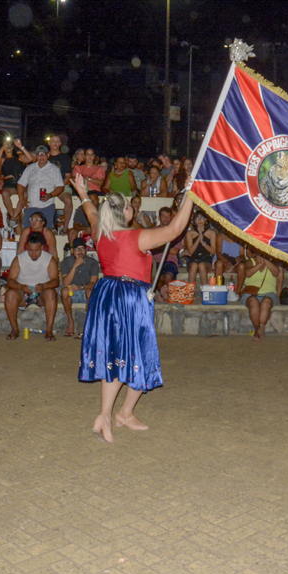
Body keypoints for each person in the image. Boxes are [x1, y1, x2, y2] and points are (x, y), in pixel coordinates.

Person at [69, 171, 194, 443]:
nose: (132, 208)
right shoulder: (136, 237)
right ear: (123, 213)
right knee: (135, 352)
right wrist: (192, 198)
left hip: (107, 293)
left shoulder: (99, 230)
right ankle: (107, 415)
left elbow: (91, 210)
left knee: (122, 353)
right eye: (129, 205)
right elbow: (174, 230)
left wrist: (82, 193)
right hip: (129, 297)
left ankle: (122, 413)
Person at [4, 232, 59, 340]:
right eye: (30, 250)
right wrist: (20, 287)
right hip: (23, 292)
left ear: (42, 247)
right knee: (10, 294)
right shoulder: (19, 259)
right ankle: (14, 329)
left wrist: (44, 286)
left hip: (42, 292)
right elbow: (10, 281)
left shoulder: (49, 259)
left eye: (37, 250)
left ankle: (49, 330)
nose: (33, 254)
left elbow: (56, 281)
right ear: (27, 247)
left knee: (51, 294)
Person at [17, 144, 64, 229]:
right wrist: (21, 199)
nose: (41, 157)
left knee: (46, 232)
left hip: (47, 206)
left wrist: (50, 195)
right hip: (30, 206)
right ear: (36, 156)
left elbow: (60, 186)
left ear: (48, 155)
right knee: (28, 231)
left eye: (44, 154)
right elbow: (20, 184)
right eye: (39, 154)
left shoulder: (54, 169)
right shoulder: (30, 168)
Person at [60, 242, 101, 338]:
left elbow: (93, 283)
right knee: (64, 291)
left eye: (82, 249)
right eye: (77, 249)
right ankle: (70, 322)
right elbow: (65, 283)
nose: (80, 252)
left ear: (86, 251)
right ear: (72, 251)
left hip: (85, 290)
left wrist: (81, 287)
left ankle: (86, 326)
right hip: (72, 291)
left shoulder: (93, 262)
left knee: (91, 292)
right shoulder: (66, 262)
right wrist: (75, 266)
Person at [240, 253, 283, 342]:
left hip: (269, 294)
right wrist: (260, 264)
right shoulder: (250, 261)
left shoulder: (273, 263)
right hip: (250, 293)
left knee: (266, 301)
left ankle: (261, 327)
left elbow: (276, 272)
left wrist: (266, 261)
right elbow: (247, 273)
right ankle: (258, 329)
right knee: (253, 301)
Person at [184, 211, 216, 289]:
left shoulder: (211, 233)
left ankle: (205, 291)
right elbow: (190, 252)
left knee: (201, 265)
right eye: (197, 218)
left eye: (202, 218)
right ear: (194, 221)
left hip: (206, 259)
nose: (200, 220)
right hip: (193, 259)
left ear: (205, 219)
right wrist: (199, 238)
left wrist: (203, 243)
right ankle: (191, 293)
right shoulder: (190, 233)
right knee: (194, 265)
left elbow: (213, 251)